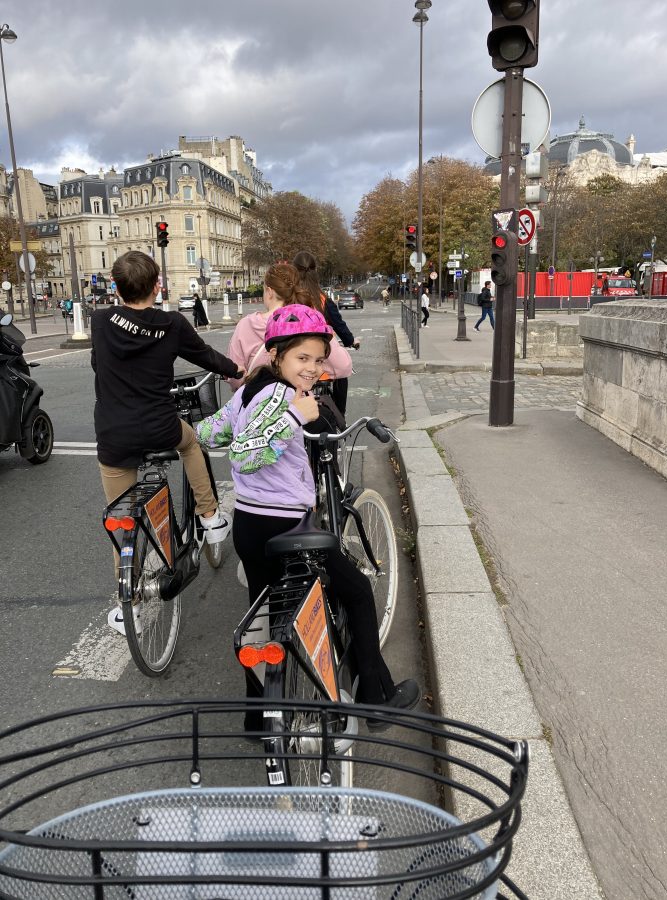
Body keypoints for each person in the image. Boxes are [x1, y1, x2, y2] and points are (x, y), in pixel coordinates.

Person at [196, 304, 420, 730]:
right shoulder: (283, 397)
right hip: (286, 524)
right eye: (303, 358)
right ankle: (377, 699)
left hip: (249, 524)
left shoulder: (249, 390)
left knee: (263, 618)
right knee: (354, 591)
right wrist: (297, 415)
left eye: (319, 360)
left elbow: (212, 433)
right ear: (276, 353)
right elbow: (244, 454)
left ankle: (260, 718)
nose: (313, 369)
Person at [91, 250, 242, 635]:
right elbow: (205, 356)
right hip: (161, 426)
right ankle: (210, 518)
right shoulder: (172, 323)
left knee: (121, 518)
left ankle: (131, 607)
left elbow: (98, 364)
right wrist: (237, 371)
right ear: (158, 285)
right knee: (191, 445)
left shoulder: (101, 320)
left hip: (114, 434)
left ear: (116, 286)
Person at [224, 262, 352, 395]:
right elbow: (343, 366)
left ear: (269, 291)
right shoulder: (308, 321)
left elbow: (235, 377)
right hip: (296, 404)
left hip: (256, 402)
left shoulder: (247, 325)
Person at [292, 250, 359, 416]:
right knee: (342, 373)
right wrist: (351, 341)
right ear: (315, 271)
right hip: (323, 356)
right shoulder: (322, 299)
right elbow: (339, 325)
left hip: (294, 354)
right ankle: (340, 417)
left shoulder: (290, 298)